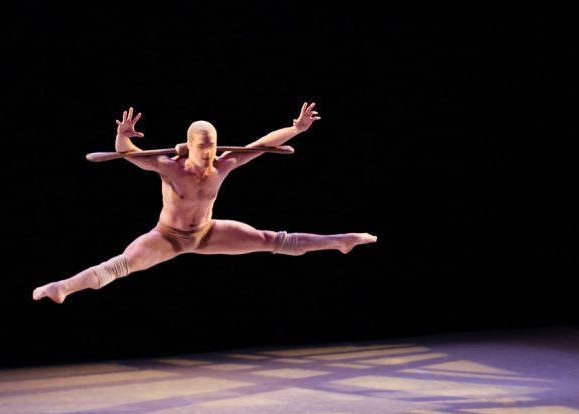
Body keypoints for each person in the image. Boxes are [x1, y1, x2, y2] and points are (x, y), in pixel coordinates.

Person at [32, 103, 377, 303]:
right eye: (203, 147)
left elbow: (261, 145)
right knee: (122, 264)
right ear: (189, 146)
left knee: (271, 239)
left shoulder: (222, 165)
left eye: (213, 145)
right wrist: (122, 135)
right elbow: (128, 155)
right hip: (167, 236)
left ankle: (340, 242)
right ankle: (62, 287)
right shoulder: (169, 168)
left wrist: (296, 128)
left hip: (207, 232)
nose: (210, 152)